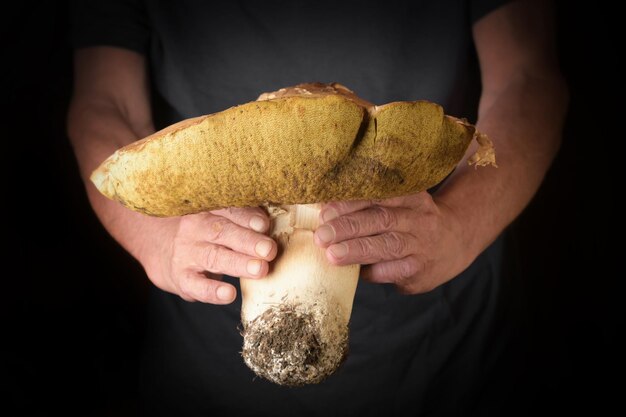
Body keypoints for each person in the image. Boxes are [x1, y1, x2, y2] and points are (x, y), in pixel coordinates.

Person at [68, 0, 567, 415]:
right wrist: (153, 236)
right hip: (205, 381)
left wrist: (460, 224)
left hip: (446, 366)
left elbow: (530, 76)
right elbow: (103, 102)